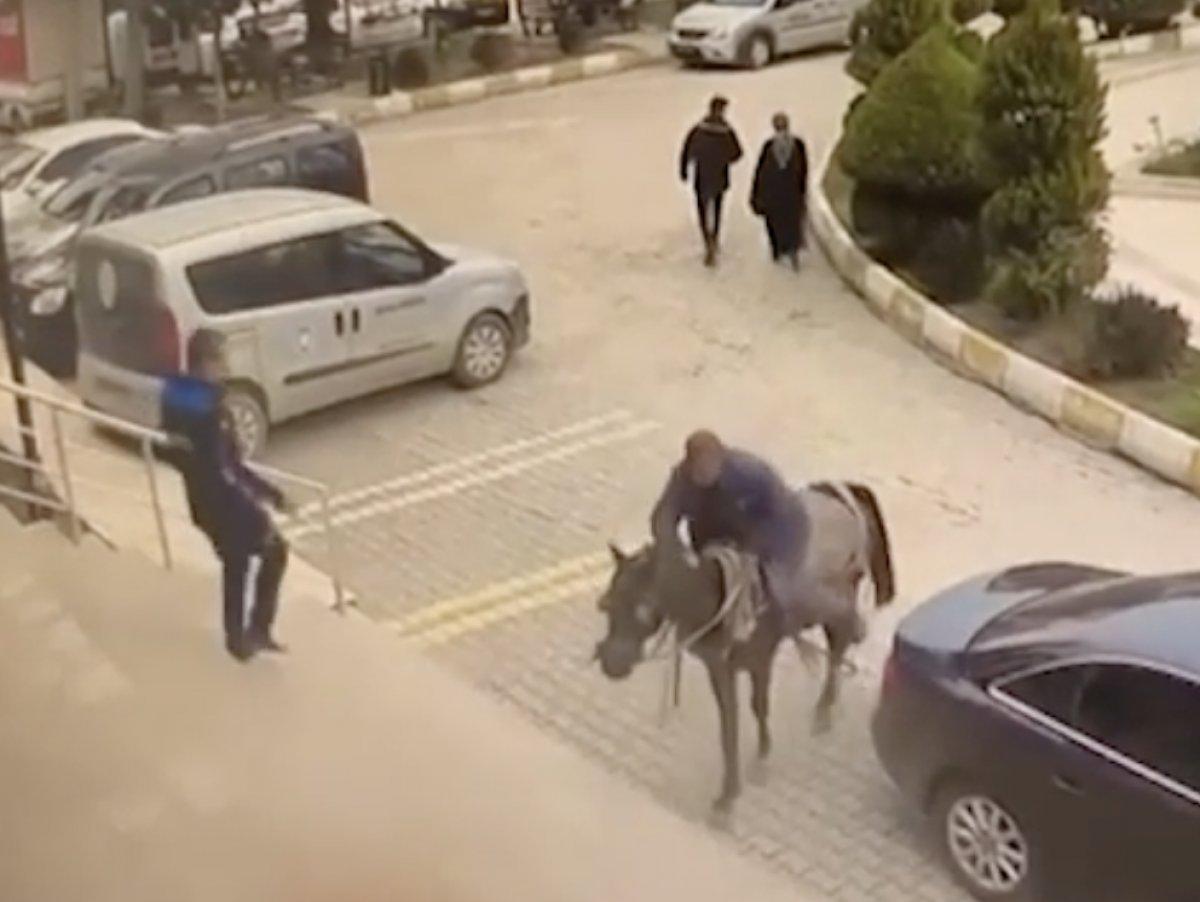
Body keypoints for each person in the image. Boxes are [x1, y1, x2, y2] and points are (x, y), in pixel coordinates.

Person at [161, 330, 290, 662]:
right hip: (224, 505)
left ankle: (243, 637)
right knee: (264, 553)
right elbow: (228, 469)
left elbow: (173, 450)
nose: (227, 367)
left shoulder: (176, 398)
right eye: (223, 360)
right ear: (207, 362)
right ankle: (248, 636)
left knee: (241, 561)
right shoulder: (210, 411)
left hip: (202, 502)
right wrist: (265, 498)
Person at [650, 430, 823, 632]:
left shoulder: (751, 473)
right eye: (696, 470)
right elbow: (662, 518)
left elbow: (779, 513)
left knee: (777, 593)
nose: (701, 475)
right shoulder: (682, 479)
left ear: (721, 460)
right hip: (717, 537)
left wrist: (750, 552)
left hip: (778, 531)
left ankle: (815, 616)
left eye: (707, 468)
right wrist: (676, 551)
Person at [680, 96, 744, 267]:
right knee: (717, 209)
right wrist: (724, 159)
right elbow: (738, 153)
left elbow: (687, 151)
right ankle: (714, 238)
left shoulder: (698, 130)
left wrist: (684, 171)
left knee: (702, 208)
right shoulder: (727, 131)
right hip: (719, 175)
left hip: (701, 175)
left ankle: (707, 240)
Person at [750, 113, 809, 270]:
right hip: (792, 192)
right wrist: (803, 192)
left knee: (774, 222)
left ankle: (777, 250)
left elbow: (761, 172)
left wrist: (756, 194)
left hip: (773, 193)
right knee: (792, 222)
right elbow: (803, 171)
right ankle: (792, 250)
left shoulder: (769, 146)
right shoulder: (798, 145)